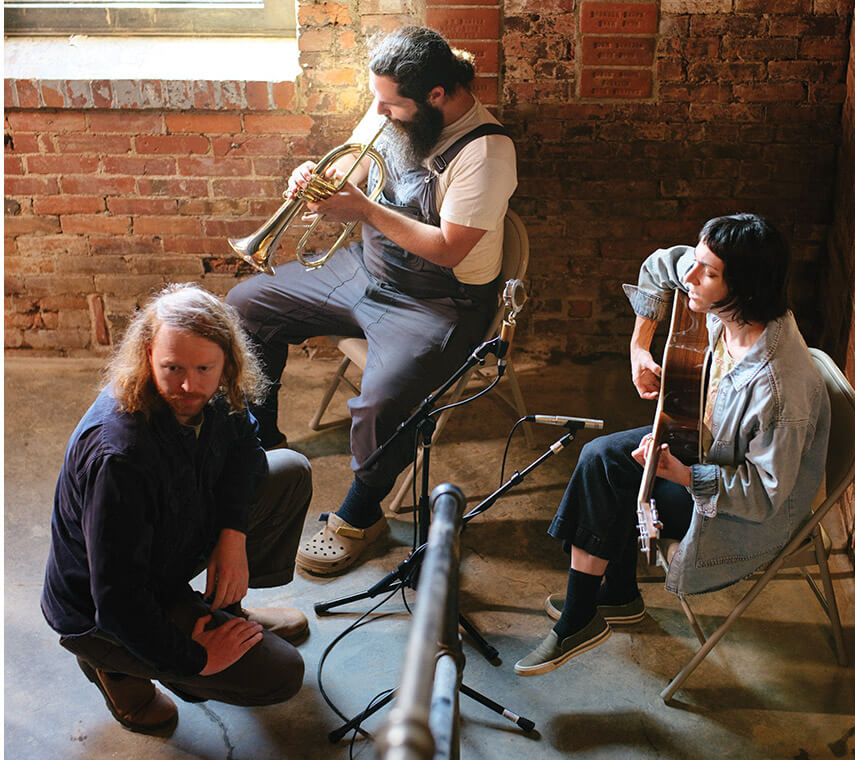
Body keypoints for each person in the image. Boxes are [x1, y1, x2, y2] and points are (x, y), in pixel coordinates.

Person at [226, 25, 518, 576]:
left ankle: (361, 518)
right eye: (376, 100)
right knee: (244, 305)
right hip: (367, 267)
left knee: (384, 403)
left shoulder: (487, 151)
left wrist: (361, 210)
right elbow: (354, 167)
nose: (379, 113)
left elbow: (450, 249)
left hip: (437, 300)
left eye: (391, 105)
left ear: (436, 96)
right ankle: (264, 448)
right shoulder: (395, 106)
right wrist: (317, 182)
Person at [514, 213, 831, 676]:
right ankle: (613, 597)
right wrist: (638, 347)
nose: (690, 277)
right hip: (708, 452)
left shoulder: (779, 386)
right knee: (601, 458)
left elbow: (765, 496)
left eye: (708, 271)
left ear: (745, 285)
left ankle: (582, 615)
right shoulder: (730, 305)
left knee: (610, 475)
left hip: (745, 513)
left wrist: (681, 474)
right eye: (698, 262)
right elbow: (661, 265)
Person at [41, 283, 313, 732]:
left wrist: (233, 534)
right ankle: (114, 666)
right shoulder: (120, 457)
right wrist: (197, 659)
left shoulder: (217, 391)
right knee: (281, 675)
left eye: (204, 368)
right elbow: (117, 597)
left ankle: (228, 611)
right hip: (100, 611)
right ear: (148, 354)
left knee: (287, 471)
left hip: (162, 551)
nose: (189, 385)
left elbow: (246, 452)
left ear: (227, 359)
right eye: (172, 368)